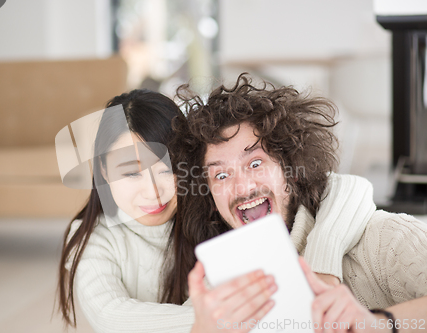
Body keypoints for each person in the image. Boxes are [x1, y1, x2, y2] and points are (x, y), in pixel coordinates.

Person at [57, 89, 376, 333]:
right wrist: (222, 317)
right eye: (130, 173)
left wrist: (324, 269)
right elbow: (111, 316)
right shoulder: (93, 237)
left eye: (167, 169)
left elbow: (348, 188)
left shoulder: (209, 205)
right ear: (102, 170)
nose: (153, 191)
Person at [166, 73, 427, 332]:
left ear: (291, 171)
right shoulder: (216, 301)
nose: (243, 187)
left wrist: (376, 324)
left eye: (255, 163)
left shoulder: (386, 240)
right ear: (211, 199)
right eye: (221, 175)